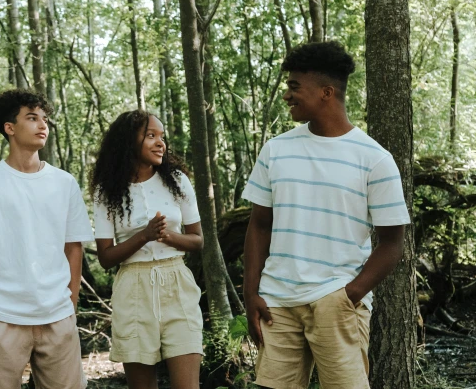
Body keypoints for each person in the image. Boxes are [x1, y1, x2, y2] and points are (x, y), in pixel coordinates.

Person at [242, 41, 410, 389]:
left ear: (325, 92)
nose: (287, 95)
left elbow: (392, 243)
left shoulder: (374, 159)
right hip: (277, 304)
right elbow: (259, 225)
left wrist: (349, 294)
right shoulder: (276, 150)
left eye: (294, 87)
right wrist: (251, 293)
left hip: (336, 300)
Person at [0, 89, 94, 389]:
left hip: (58, 316)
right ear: (10, 128)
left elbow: (73, 248)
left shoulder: (64, 183)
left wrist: (70, 302)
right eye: (32, 118)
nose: (42, 125)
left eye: (44, 119)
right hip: (4, 317)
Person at [90, 110, 204, 389]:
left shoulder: (177, 180)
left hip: (177, 284)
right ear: (128, 142)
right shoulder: (106, 192)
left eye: (162, 137)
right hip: (133, 289)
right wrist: (144, 235)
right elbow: (106, 257)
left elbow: (197, 240)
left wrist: (168, 236)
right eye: (150, 136)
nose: (160, 143)